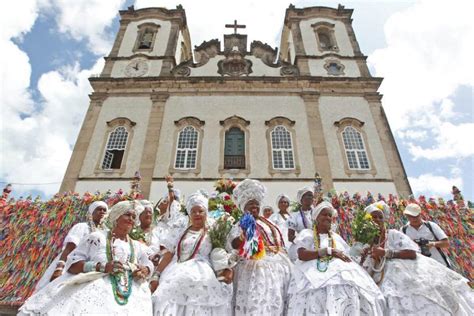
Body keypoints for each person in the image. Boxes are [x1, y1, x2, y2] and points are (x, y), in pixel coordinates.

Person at [19, 201, 154, 315]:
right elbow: (73, 264)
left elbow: (149, 263)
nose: (131, 219)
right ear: (116, 217)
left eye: (134, 217)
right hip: (92, 288)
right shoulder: (96, 237)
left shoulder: (137, 246)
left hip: (130, 293)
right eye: (127, 215)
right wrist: (102, 267)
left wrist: (145, 270)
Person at [362, 202, 474, 315]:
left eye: (380, 217)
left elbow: (412, 253)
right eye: (374, 217)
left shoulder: (397, 233)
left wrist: (432, 244)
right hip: (385, 274)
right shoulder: (401, 230)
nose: (377, 220)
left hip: (422, 267)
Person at [288, 201, 386, 315]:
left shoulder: (336, 237)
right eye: (324, 214)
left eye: (330, 215)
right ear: (316, 217)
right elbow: (302, 254)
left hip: (342, 271)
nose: (327, 217)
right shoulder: (307, 233)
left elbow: (347, 255)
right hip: (312, 271)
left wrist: (361, 256)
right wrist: (328, 251)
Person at [152, 192, 233, 315]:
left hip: (204, 271)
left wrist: (226, 270)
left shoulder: (213, 231)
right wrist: (156, 275)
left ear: (206, 213)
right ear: (189, 214)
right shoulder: (180, 230)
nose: (197, 214)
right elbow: (169, 254)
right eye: (193, 212)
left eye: (200, 211)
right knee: (164, 295)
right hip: (177, 269)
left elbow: (222, 253)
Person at [227, 179, 292, 315]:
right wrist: (243, 236)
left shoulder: (268, 222)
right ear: (244, 207)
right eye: (251, 205)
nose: (255, 207)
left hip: (278, 266)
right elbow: (234, 244)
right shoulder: (241, 224)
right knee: (258, 302)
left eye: (257, 205)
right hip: (254, 268)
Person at [34, 201, 109, 292]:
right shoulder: (82, 227)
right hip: (72, 265)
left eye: (104, 210)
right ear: (91, 213)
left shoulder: (106, 232)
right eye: (99, 209)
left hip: (92, 269)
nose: (102, 212)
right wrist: (59, 268)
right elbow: (70, 247)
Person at [401, 203, 451, 267]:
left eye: (416, 216)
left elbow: (446, 243)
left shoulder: (431, 226)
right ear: (406, 216)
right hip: (420, 268)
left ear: (420, 214)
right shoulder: (403, 230)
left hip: (440, 264)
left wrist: (433, 244)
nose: (414, 219)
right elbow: (401, 248)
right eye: (411, 216)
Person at [287, 186, 314, 261]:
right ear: (301, 199)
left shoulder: (317, 213)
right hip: (300, 245)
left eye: (311, 196)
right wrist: (301, 243)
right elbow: (290, 236)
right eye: (307, 195)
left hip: (316, 244)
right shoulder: (294, 215)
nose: (309, 197)